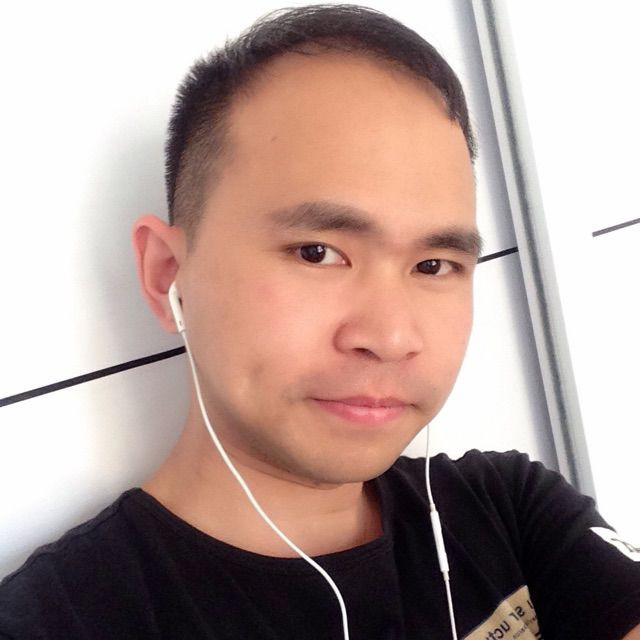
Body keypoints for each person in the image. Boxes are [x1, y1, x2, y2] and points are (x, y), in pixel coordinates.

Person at [1, 4, 639, 639]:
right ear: (169, 274)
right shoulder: (61, 621)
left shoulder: (507, 511)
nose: (391, 338)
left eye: (434, 264)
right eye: (317, 253)